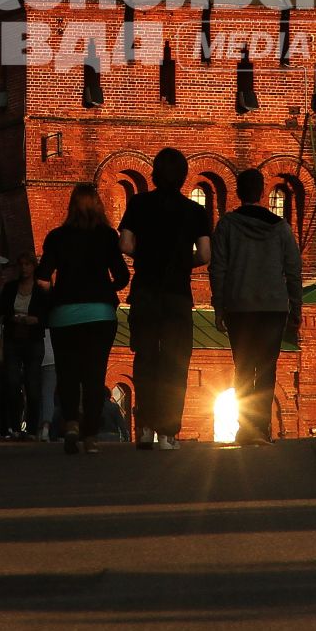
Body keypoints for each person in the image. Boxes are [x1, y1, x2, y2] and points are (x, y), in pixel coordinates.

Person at [118, 147, 211, 450]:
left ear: (154, 174)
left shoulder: (138, 204)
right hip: (177, 296)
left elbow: (125, 243)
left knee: (145, 359)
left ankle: (144, 428)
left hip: (145, 291)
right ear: (184, 177)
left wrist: (145, 258)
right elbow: (206, 255)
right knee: (175, 362)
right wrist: (184, 262)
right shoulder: (196, 212)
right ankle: (168, 433)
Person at [35, 183, 128, 456]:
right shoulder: (108, 236)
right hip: (100, 314)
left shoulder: (57, 237)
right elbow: (123, 276)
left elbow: (42, 275)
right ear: (98, 205)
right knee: (94, 373)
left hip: (64, 315)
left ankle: (71, 424)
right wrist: (103, 290)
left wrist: (55, 295)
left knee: (67, 372)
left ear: (71, 206)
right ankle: (91, 437)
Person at [210, 168, 301, 446]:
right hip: (273, 308)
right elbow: (294, 270)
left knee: (243, 367)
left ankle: (245, 428)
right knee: (266, 368)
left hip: (239, 306)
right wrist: (296, 307)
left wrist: (219, 305)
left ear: (238, 193)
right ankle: (261, 428)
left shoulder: (227, 225)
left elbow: (218, 268)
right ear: (263, 193)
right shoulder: (281, 228)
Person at [0, 253, 47, 439]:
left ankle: (32, 429)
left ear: (34, 267)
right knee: (12, 383)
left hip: (33, 340)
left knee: (33, 385)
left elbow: (47, 316)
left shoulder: (40, 291)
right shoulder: (10, 288)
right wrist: (10, 317)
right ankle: (15, 427)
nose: (24, 268)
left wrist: (36, 320)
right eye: (21, 264)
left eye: (28, 264)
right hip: (13, 338)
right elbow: (1, 310)